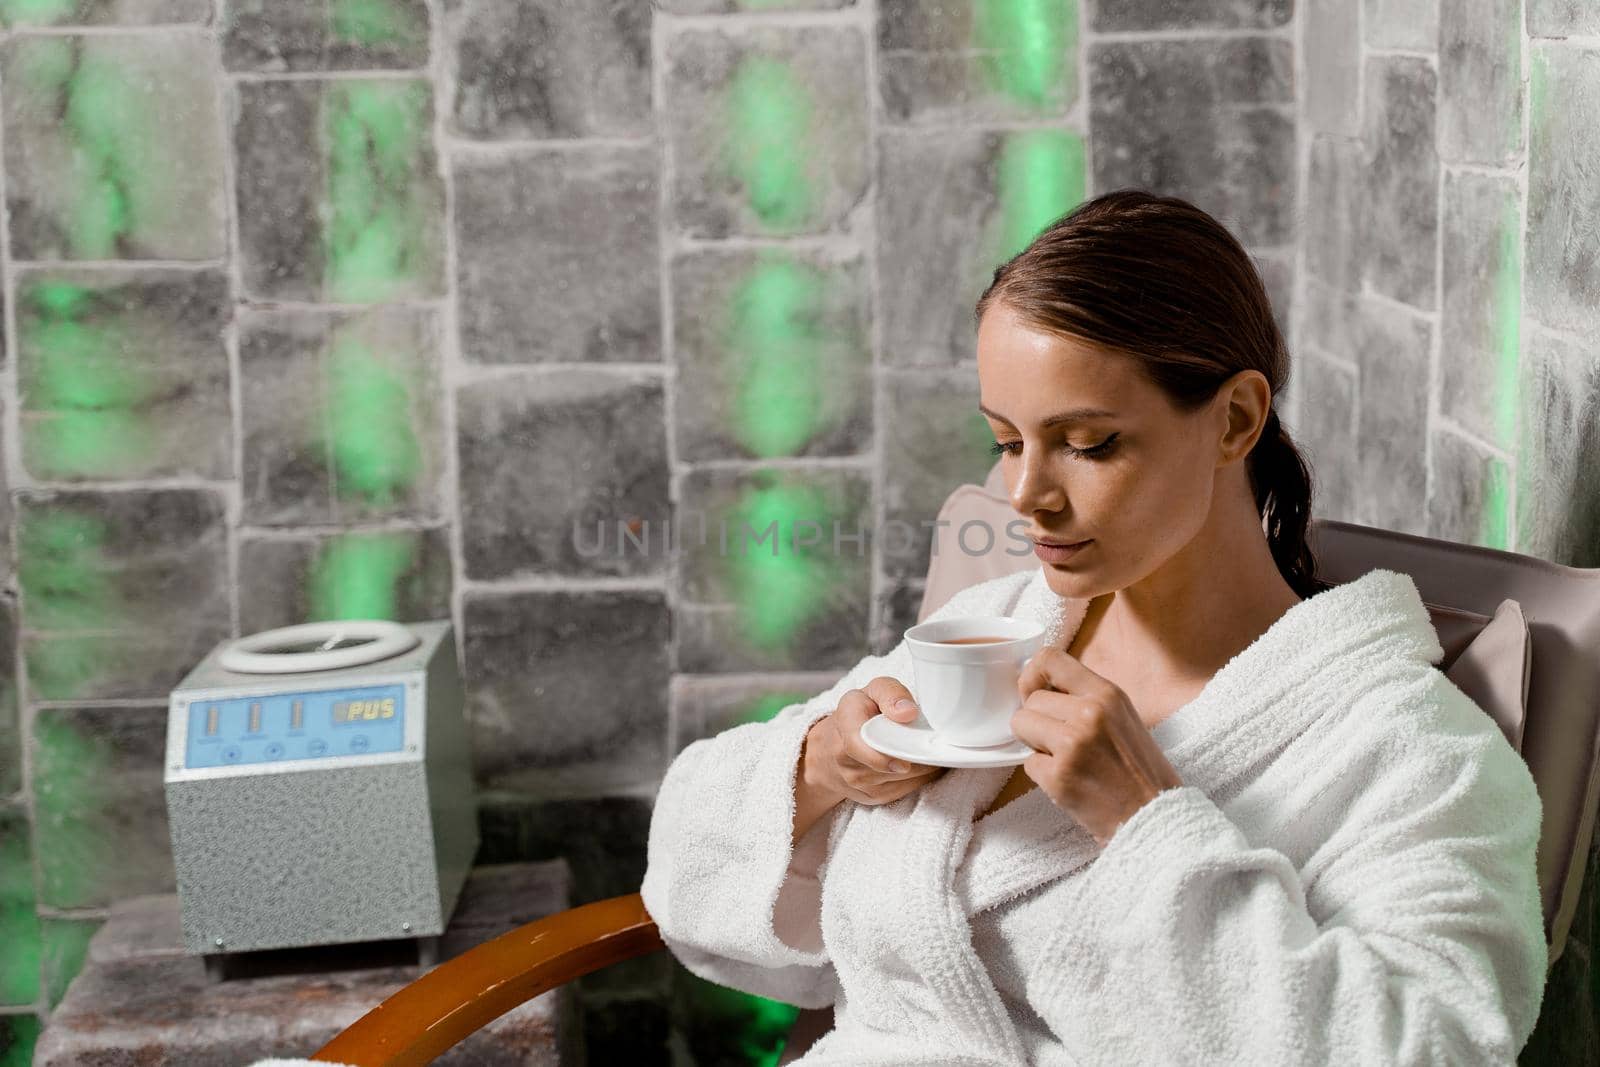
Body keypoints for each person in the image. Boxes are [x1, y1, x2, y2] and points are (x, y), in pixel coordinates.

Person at [641, 189, 1546, 1065]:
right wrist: (821, 769)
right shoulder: (999, 628)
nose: (1025, 494)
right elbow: (687, 860)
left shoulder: (1406, 750)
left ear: (1234, 419)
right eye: (1006, 440)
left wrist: (1150, 824)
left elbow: (1431, 1045)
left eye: (1088, 443)